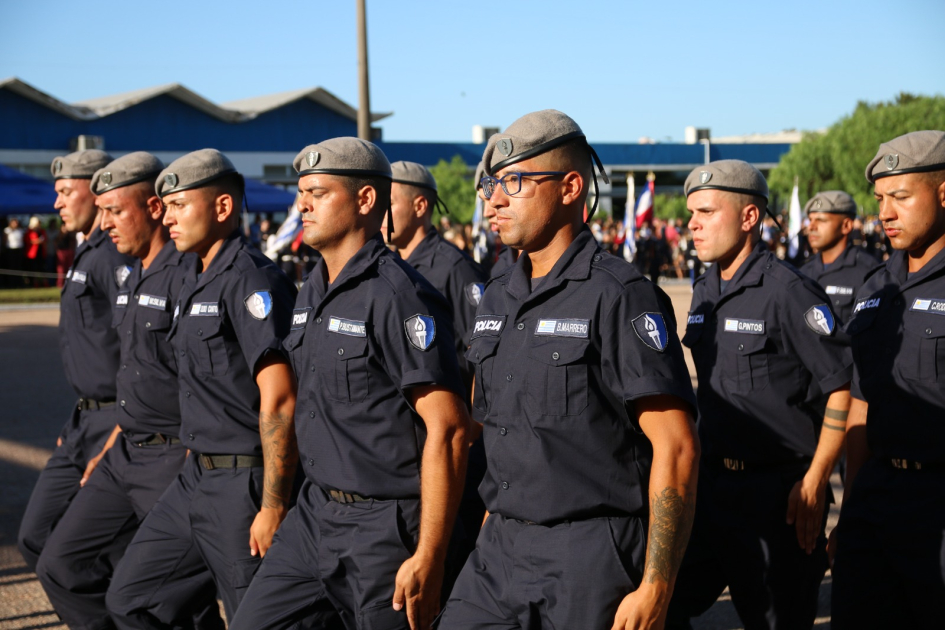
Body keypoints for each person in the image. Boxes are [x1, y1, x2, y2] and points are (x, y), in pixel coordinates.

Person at [437, 110, 699, 629]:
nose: (494, 198)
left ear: (570, 187)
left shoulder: (619, 295)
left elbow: (677, 445)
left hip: (588, 557)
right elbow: (497, 432)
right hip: (499, 549)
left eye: (514, 181)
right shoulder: (495, 298)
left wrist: (657, 585)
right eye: (491, 184)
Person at [228, 138, 470, 630]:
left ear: (364, 201)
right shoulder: (312, 288)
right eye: (301, 192)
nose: (302, 204)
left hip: (383, 529)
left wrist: (429, 553)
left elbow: (448, 429)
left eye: (317, 192)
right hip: (314, 511)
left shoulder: (398, 295)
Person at [105, 149, 299, 626]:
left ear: (223, 207)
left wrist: (273, 504)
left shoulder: (252, 279)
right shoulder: (194, 277)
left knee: (254, 618)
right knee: (131, 597)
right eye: (165, 207)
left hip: (243, 484)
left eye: (178, 206)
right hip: (195, 476)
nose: (167, 218)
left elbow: (281, 396)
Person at [33, 152, 222, 630]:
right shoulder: (134, 269)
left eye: (115, 211)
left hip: (171, 454)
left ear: (153, 208)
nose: (106, 222)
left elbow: (205, 382)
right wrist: (109, 440)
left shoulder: (186, 274)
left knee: (178, 600)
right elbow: (132, 371)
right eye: (103, 211)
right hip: (120, 444)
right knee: (60, 564)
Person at [666, 160, 853, 630]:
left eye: (707, 211)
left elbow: (841, 387)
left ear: (749, 218)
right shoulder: (706, 287)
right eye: (692, 212)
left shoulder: (790, 291)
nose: (692, 223)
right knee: (661, 603)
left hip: (777, 499)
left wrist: (815, 481)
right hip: (711, 490)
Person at [831, 130, 945, 628]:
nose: (885, 213)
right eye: (880, 199)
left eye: (900, 197)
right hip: (875, 497)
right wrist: (852, 506)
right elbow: (862, 401)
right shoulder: (877, 286)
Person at [17, 150, 134, 572]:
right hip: (83, 421)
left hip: (114, 422)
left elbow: (136, 353)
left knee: (93, 554)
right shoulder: (89, 250)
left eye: (66, 192)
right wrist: (77, 423)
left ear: (97, 189)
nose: (57, 203)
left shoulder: (115, 255)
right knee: (36, 536)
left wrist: (118, 428)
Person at [384, 160, 488, 598]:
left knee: (449, 569)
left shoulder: (453, 268)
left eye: (390, 202)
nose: (381, 214)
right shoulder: (386, 266)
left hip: (450, 444)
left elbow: (484, 360)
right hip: (405, 452)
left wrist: (469, 436)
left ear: (420, 205)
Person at [799, 191, 879, 324]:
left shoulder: (869, 273)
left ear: (846, 226)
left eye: (821, 220)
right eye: (810, 219)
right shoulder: (804, 271)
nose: (811, 226)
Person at [25, 216, 47, 287]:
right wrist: (38, 241)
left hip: (41, 252)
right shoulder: (29, 231)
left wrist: (40, 241)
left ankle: (44, 283)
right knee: (33, 269)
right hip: (32, 254)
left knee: (42, 268)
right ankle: (34, 283)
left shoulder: (42, 231)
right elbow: (29, 241)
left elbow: (45, 239)